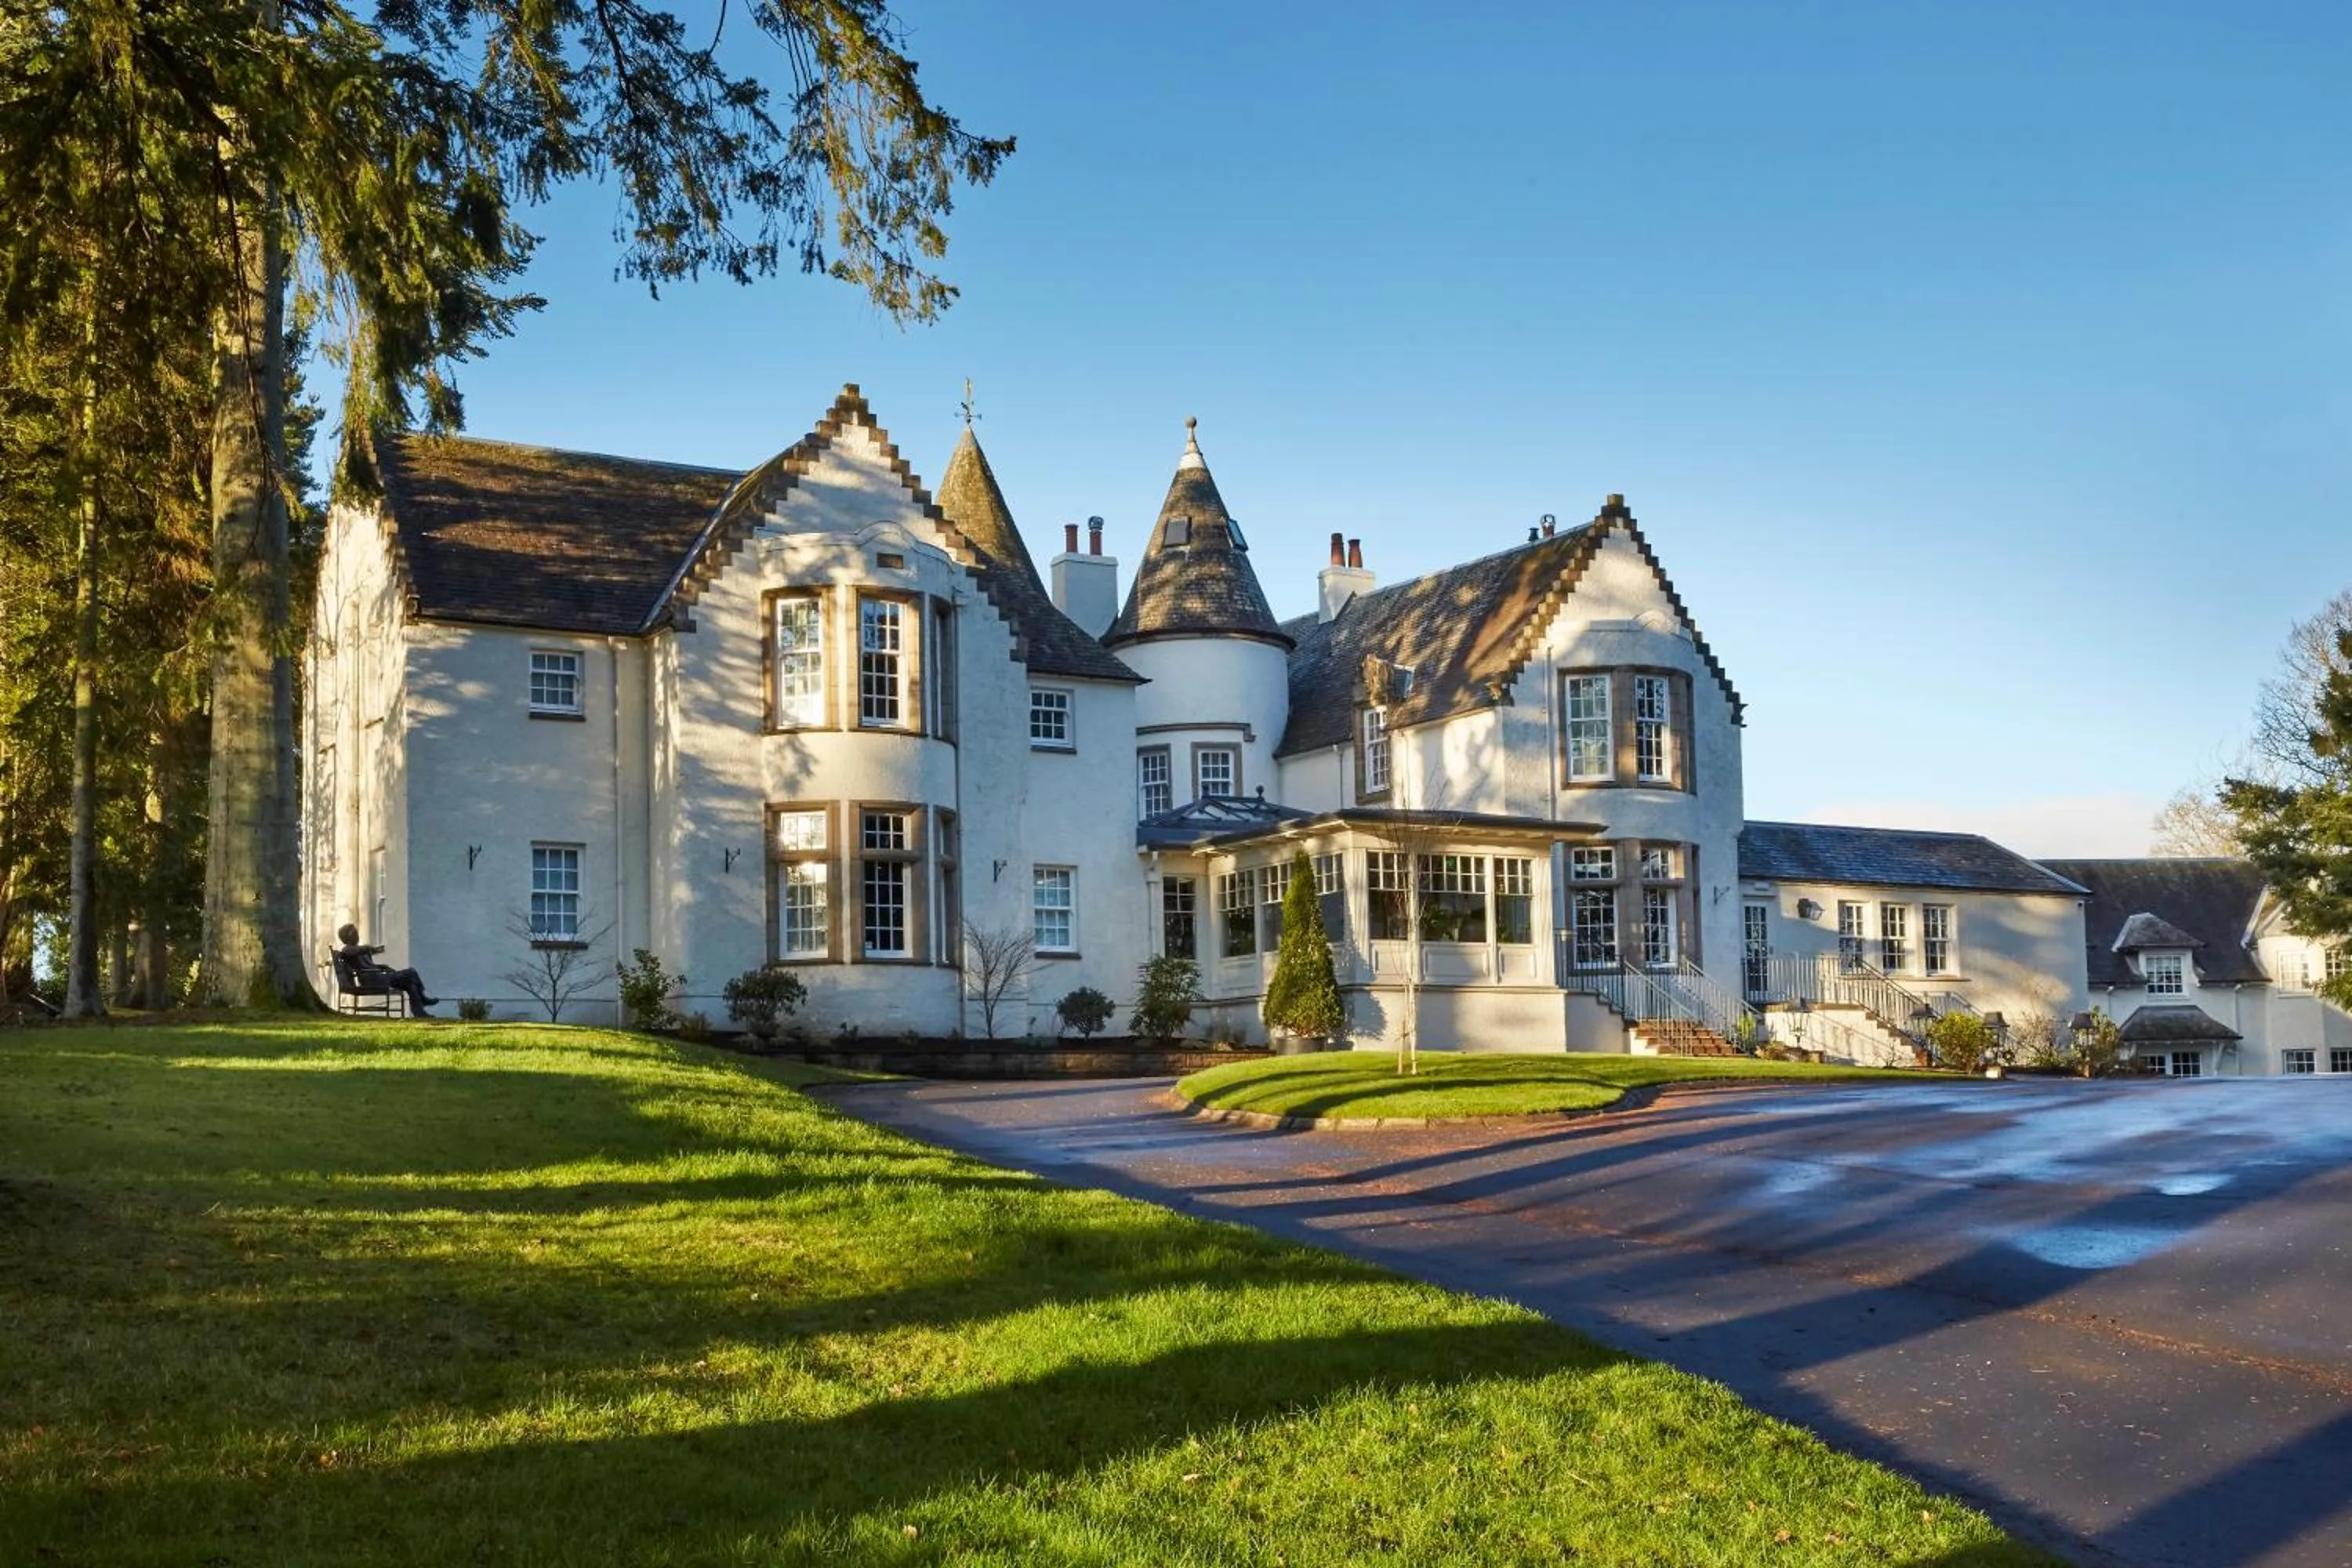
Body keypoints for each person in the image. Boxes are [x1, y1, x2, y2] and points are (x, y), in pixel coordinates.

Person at [335, 924, 438, 1017]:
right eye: (353, 932)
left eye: (356, 932)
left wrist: (382, 967)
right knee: (411, 972)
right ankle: (423, 999)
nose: (357, 935)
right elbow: (356, 952)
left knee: (410, 983)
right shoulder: (348, 949)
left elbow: (370, 966)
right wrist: (368, 948)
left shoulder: (361, 950)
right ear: (347, 937)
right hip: (372, 980)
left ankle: (419, 1012)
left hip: (378, 977)